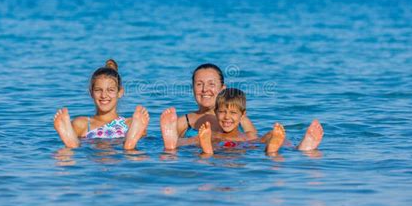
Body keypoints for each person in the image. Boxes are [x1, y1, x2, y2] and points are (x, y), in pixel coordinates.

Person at [161, 88, 323, 155]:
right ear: (216, 113)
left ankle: (295, 146)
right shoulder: (212, 134)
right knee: (199, 139)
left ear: (242, 115)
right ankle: (174, 142)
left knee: (270, 135)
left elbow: (254, 135)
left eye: (232, 113)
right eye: (222, 112)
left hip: (238, 145)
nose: (226, 117)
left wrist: (270, 138)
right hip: (223, 144)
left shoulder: (246, 135)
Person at [53, 59, 149, 150]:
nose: (104, 95)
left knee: (133, 150)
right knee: (67, 151)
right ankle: (72, 144)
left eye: (110, 90)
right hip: (118, 156)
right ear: (91, 93)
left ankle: (129, 144)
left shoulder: (131, 123)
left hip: (109, 149)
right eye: (98, 90)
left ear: (120, 92)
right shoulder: (82, 124)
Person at [176, 63, 257, 139]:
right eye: (199, 84)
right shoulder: (183, 122)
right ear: (192, 88)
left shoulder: (240, 119)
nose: (205, 89)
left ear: (222, 89)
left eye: (211, 84)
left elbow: (254, 144)